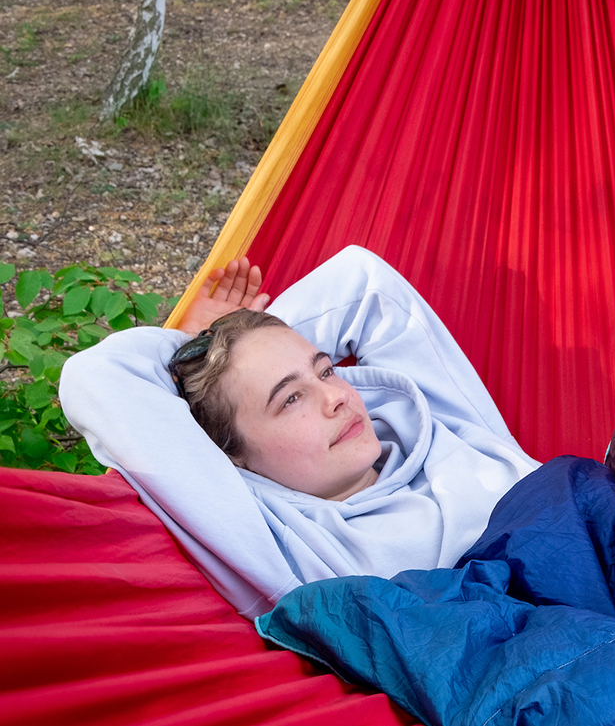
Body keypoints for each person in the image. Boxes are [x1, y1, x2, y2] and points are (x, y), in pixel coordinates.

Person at [59, 247, 540, 620]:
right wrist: (194, 346)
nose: (337, 398)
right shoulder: (279, 544)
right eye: (290, 399)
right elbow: (95, 377)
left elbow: (362, 280)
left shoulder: (437, 425)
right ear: (233, 456)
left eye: (326, 371)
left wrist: (246, 342)